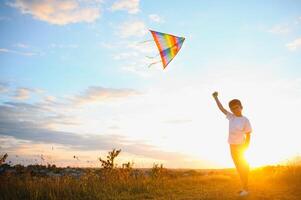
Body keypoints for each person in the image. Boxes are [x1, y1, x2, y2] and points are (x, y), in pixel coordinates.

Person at [212, 91, 252, 196]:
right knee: (239, 167)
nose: (235, 110)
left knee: (243, 166)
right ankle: (244, 188)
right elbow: (221, 109)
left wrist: (246, 146)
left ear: (241, 107)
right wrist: (216, 98)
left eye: (237, 107)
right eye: (233, 108)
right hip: (232, 146)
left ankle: (246, 189)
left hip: (241, 146)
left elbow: (248, 134)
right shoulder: (231, 117)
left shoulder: (245, 120)